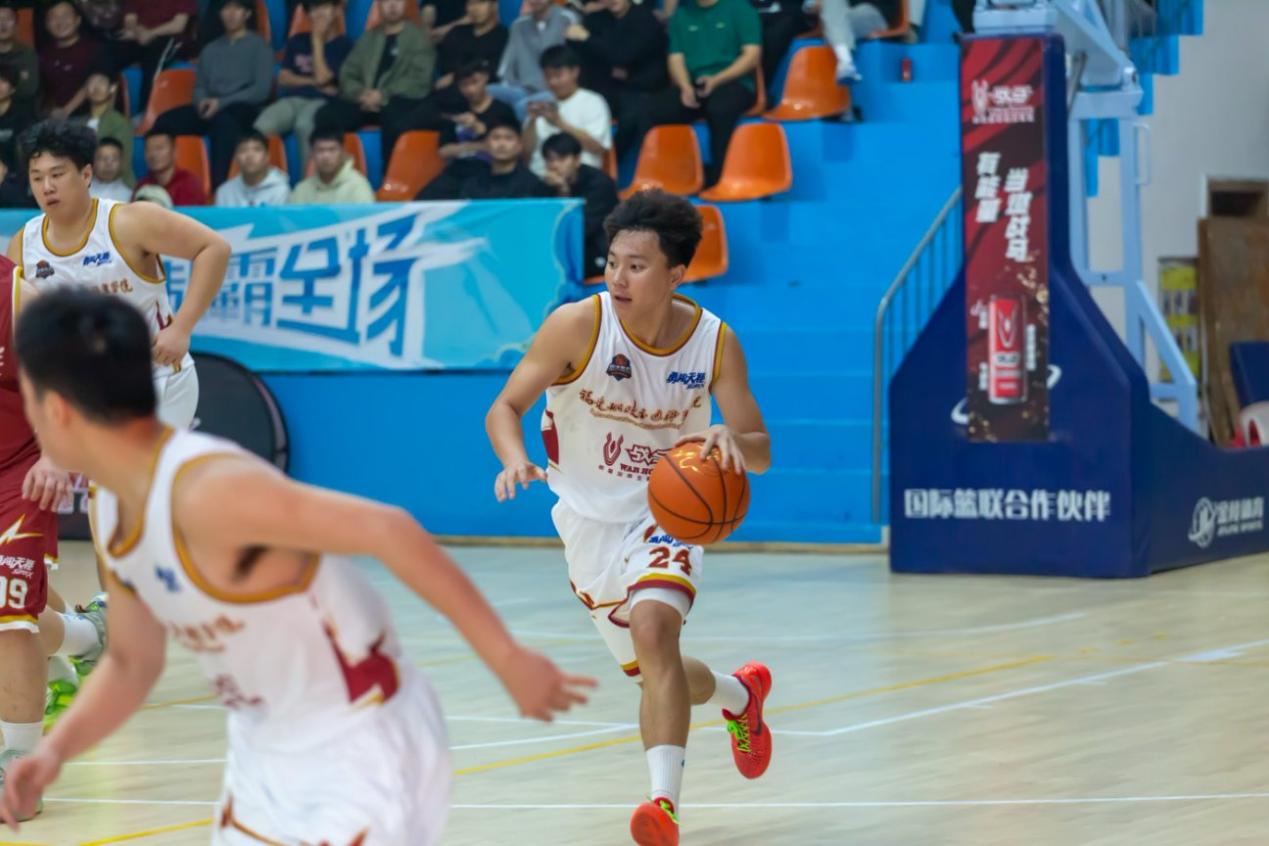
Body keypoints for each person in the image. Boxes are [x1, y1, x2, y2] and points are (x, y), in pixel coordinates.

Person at [0, 288, 596, 841]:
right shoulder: (113, 503)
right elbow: (133, 661)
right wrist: (51, 754)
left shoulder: (208, 490)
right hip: (264, 745)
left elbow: (389, 529)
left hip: (362, 737)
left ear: (56, 409)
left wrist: (508, 659)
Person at [484, 190, 773, 846]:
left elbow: (760, 451)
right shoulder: (575, 326)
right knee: (652, 671)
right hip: (586, 519)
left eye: (636, 266)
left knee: (654, 630)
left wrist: (731, 439)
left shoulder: (714, 343)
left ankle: (662, 806)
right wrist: (513, 458)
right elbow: (504, 408)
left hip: (668, 510)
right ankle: (739, 695)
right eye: (613, 262)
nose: (617, 277)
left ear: (676, 274)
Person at [12, 119, 229, 433]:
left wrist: (181, 328)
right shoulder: (24, 244)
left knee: (134, 462)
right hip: (84, 393)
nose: (47, 187)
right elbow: (14, 320)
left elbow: (214, 248)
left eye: (57, 175)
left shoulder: (130, 221)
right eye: (37, 177)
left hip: (156, 380)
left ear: (86, 175)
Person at [0, 266, 108, 821]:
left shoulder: (17, 295)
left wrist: (55, 455)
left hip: (22, 467)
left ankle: (20, 768)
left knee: (8, 609)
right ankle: (85, 637)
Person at [152, 0, 273, 188]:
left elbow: (260, 91)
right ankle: (164, 184)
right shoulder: (210, 49)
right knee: (165, 121)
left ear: (247, 14)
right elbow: (199, 87)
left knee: (224, 124)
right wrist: (201, 101)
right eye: (226, 8)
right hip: (211, 108)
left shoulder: (259, 46)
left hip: (243, 108)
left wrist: (221, 103)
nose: (231, 13)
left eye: (237, 8)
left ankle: (219, 188)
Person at [639, 0, 760, 186]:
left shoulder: (740, 9)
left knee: (720, 108)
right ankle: (674, 177)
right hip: (694, 84)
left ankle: (721, 177)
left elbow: (752, 56)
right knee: (651, 110)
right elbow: (675, 58)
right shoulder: (681, 15)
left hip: (733, 81)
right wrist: (685, 87)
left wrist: (717, 79)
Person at [315, 0, 436, 161]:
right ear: (379, 5)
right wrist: (360, 93)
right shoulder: (368, 37)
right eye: (386, 1)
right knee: (325, 115)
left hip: (397, 102)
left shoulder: (419, 38)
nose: (392, 5)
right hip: (363, 100)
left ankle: (390, 173)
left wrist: (382, 95)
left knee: (396, 116)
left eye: (398, 1)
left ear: (405, 4)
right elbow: (348, 73)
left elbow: (420, 80)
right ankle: (334, 169)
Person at [253, 0, 352, 172]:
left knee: (304, 125)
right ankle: (264, 182)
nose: (319, 13)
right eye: (313, 9)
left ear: (336, 11)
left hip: (323, 102)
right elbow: (283, 78)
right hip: (292, 100)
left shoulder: (345, 46)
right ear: (308, 14)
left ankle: (309, 181)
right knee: (261, 127)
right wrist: (313, 82)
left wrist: (317, 41)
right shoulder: (297, 41)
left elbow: (323, 76)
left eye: (324, 7)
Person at [565, 0, 667, 156]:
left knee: (634, 113)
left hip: (643, 87)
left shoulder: (645, 18)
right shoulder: (596, 19)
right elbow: (576, 46)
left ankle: (610, 159)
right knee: (580, 104)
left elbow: (622, 55)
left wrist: (587, 38)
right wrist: (608, 65)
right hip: (609, 86)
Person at [523, 45, 610, 177]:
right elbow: (525, 153)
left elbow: (598, 148)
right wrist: (532, 122)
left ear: (575, 72)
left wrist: (559, 123)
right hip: (540, 176)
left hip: (580, 176)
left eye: (558, 75)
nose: (553, 82)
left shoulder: (592, 101)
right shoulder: (542, 105)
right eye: (547, 76)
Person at [417, 116, 551, 200]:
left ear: (519, 147)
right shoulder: (473, 184)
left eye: (508, 138)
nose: (501, 144)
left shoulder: (532, 184)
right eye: (496, 138)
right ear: (486, 145)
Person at [541, 132, 616, 277]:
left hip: (594, 247)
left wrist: (564, 191)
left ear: (577, 159)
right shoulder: (544, 185)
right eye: (550, 160)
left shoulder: (599, 183)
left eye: (561, 159)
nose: (554, 166)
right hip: (558, 247)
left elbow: (584, 229)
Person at [489, 0, 573, 120]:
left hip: (555, 89)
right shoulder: (518, 25)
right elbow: (507, 64)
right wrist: (508, 85)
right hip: (523, 88)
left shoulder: (567, 19)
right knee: (487, 92)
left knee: (522, 106)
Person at [113, 0, 197, 110]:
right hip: (138, 34)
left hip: (168, 37)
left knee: (152, 64)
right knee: (110, 52)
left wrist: (150, 33)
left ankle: (145, 112)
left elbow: (178, 26)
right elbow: (129, 19)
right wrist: (139, 32)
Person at [431, 0, 507, 112]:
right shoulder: (456, 33)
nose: (475, 9)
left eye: (481, 3)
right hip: (445, 95)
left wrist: (456, 76)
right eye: (471, 3)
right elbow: (444, 65)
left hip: (480, 97)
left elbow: (494, 71)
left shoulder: (503, 37)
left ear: (493, 6)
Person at [38, 1, 106, 118]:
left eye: (65, 16)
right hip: (53, 118)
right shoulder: (44, 54)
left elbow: (95, 83)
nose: (60, 22)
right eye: (53, 18)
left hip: (90, 116)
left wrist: (66, 111)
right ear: (47, 25)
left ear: (77, 20)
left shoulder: (94, 49)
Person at [809, 0, 894, 81]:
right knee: (833, 7)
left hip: (871, 17)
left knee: (835, 12)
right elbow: (812, 9)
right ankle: (846, 63)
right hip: (842, 24)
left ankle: (845, 62)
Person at [288, 128, 375, 204]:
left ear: (343, 152)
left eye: (332, 150)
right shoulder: (301, 190)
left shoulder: (358, 187)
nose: (326, 156)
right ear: (312, 153)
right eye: (320, 150)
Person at [75, 70, 132, 185]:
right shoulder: (76, 124)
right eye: (92, 82)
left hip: (115, 184)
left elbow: (122, 161)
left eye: (101, 82)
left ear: (112, 88)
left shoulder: (119, 122)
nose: (96, 87)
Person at [215, 130, 291, 207]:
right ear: (235, 158)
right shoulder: (224, 192)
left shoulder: (281, 190)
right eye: (243, 150)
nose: (250, 155)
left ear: (267, 156)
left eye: (257, 149)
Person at [133, 129, 207, 206]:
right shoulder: (143, 186)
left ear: (174, 151)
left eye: (159, 148)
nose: (153, 155)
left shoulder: (189, 184)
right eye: (148, 149)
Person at [0, 5, 39, 115]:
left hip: (22, 114)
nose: (2, 24)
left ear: (16, 25)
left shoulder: (28, 55)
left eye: (8, 18)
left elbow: (28, 90)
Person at [0, 66, 32, 173]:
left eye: (4, 81)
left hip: (15, 173)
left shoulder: (23, 112)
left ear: (12, 89)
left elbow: (25, 147)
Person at [88, 137, 132, 202]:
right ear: (93, 161)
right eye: (102, 158)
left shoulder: (129, 195)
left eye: (114, 159)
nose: (108, 164)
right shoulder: (83, 190)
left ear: (122, 162)